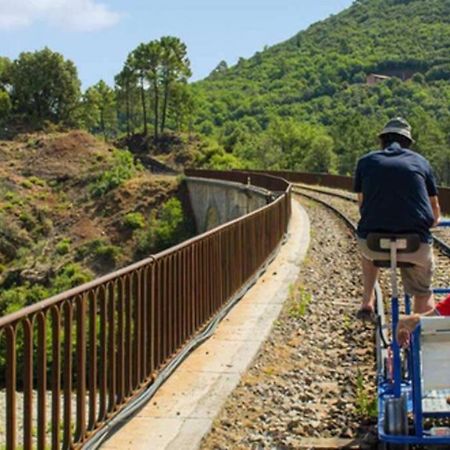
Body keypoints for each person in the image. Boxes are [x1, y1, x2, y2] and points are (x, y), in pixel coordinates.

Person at [354, 117, 441, 322]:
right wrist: (431, 221)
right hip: (414, 245)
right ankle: (418, 338)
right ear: (408, 143)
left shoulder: (365, 162)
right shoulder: (421, 162)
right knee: (423, 290)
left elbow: (362, 205)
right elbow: (434, 210)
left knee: (366, 250)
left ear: (382, 141)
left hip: (374, 244)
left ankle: (367, 300)